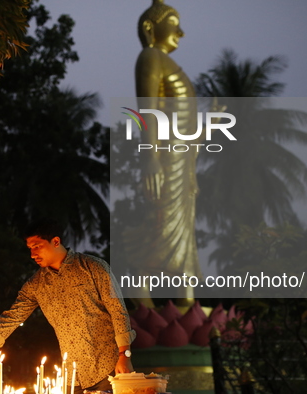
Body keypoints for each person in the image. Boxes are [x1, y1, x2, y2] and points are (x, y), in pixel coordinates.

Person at [0, 219, 135, 394]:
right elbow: (10, 319)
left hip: (110, 368)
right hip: (73, 376)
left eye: (37, 246)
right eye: (30, 248)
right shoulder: (36, 285)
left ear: (55, 241)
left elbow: (118, 311)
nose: (33, 254)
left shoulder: (93, 267)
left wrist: (124, 355)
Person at [123, 0, 202, 306]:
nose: (180, 32)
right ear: (149, 28)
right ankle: (142, 297)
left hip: (182, 161)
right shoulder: (150, 56)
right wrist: (150, 156)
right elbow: (148, 109)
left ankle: (186, 302)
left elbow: (183, 123)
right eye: (173, 21)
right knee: (159, 220)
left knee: (181, 227)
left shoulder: (166, 62)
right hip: (164, 157)